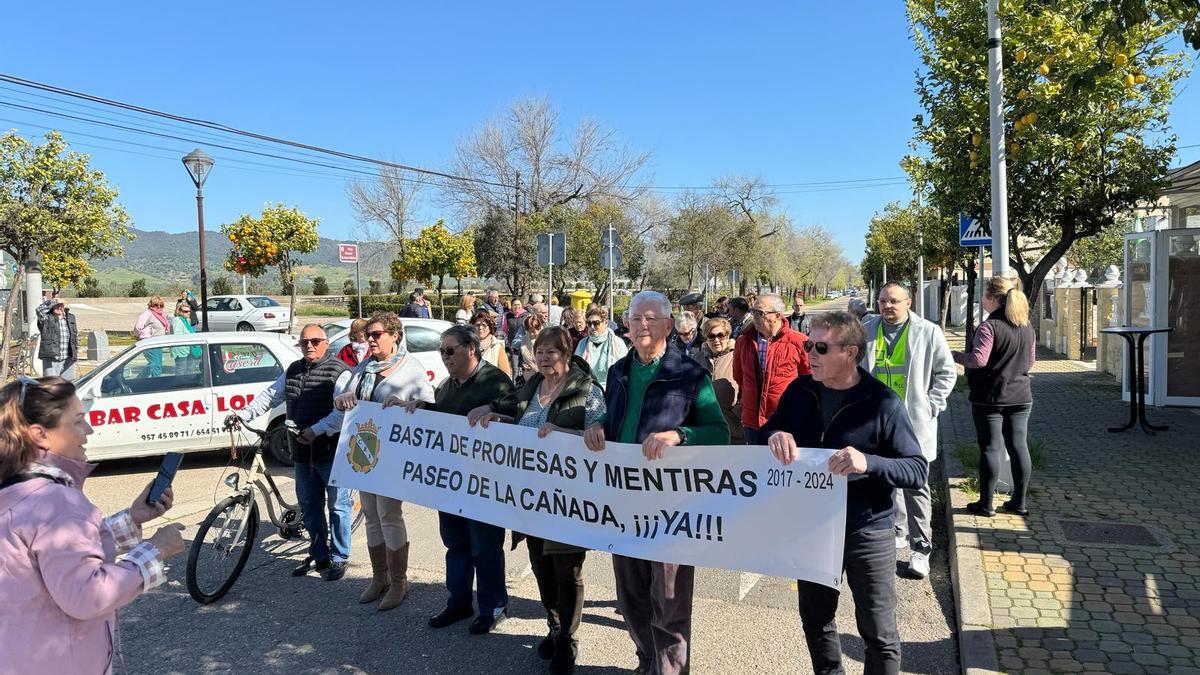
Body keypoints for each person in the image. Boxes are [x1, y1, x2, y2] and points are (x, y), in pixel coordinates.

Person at [763, 311, 928, 675]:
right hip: (813, 528)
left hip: (868, 530)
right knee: (816, 619)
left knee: (879, 633)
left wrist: (868, 462)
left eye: (821, 347)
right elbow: (767, 432)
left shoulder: (882, 402)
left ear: (851, 352)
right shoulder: (799, 391)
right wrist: (775, 434)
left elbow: (917, 470)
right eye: (809, 345)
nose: (810, 354)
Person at [583, 290, 730, 675]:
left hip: (671, 508)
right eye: (636, 318)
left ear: (668, 325)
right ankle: (648, 661)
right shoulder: (619, 372)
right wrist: (599, 425)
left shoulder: (691, 375)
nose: (642, 325)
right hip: (623, 503)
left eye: (651, 318)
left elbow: (719, 432)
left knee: (669, 603)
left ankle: (668, 670)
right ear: (626, 326)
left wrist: (681, 435)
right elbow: (615, 418)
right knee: (631, 598)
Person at [0, 376, 187, 674]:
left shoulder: (14, 489)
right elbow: (87, 594)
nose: (89, 430)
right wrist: (156, 551)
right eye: (78, 421)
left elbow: (54, 557)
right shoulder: (56, 501)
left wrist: (132, 519)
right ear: (40, 435)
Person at [470, 326, 606, 673]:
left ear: (567, 353)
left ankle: (568, 639)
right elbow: (520, 425)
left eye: (552, 352)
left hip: (567, 499)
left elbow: (601, 439)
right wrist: (498, 418)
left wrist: (565, 434)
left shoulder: (588, 390)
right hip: (529, 497)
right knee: (541, 566)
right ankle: (554, 626)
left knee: (567, 570)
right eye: (540, 352)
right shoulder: (531, 386)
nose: (545, 359)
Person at [389, 324, 516, 635]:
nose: (444, 357)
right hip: (451, 483)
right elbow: (445, 421)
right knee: (456, 543)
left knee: (485, 547)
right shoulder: (446, 387)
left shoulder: (496, 382)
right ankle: (458, 601)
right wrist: (422, 408)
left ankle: (493, 606)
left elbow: (518, 420)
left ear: (471, 349)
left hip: (485, 485)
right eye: (441, 351)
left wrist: (494, 409)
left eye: (449, 350)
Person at [229, 324, 353, 580]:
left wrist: (316, 430)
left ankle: (340, 557)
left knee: (338, 507)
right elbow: (270, 396)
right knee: (310, 506)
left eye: (315, 341)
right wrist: (243, 414)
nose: (309, 346)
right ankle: (319, 555)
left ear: (326, 343)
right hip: (302, 452)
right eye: (304, 341)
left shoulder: (340, 372)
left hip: (331, 452)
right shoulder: (293, 370)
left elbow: (342, 414)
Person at [333, 312, 434, 610]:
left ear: (395, 336)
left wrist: (407, 405)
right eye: (368, 335)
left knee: (388, 514)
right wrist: (342, 400)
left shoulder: (410, 367)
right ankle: (380, 577)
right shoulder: (365, 367)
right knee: (371, 514)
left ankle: (399, 581)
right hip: (364, 451)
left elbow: (429, 406)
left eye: (377, 334)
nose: (371, 339)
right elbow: (345, 398)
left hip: (393, 454)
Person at [862, 282, 956, 579]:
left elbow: (947, 373)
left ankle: (921, 548)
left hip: (913, 422)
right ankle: (897, 531)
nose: (887, 306)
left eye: (893, 301)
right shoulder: (867, 328)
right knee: (884, 478)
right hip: (875, 422)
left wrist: (931, 405)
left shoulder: (928, 332)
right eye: (882, 301)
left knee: (916, 486)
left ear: (908, 302)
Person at [954, 276, 1036, 518]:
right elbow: (1030, 362)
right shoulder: (1027, 326)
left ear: (991, 298)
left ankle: (986, 504)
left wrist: (955, 356)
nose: (982, 299)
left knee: (990, 448)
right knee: (1019, 446)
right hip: (1021, 397)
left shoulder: (989, 327)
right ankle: (1019, 502)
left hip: (990, 399)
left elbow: (978, 360)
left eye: (984, 295)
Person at [733, 294, 810, 445]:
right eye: (753, 312)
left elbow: (809, 380)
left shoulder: (799, 342)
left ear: (777, 316)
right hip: (752, 421)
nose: (754, 317)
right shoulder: (743, 341)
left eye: (759, 313)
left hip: (785, 421)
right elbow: (739, 377)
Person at [695, 317, 744, 444]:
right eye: (711, 336)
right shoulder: (697, 358)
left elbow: (748, 388)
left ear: (727, 336)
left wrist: (736, 413)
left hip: (733, 429)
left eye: (720, 335)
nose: (716, 340)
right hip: (704, 427)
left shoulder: (738, 356)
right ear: (706, 338)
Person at [575, 305, 628, 392]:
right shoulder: (583, 343)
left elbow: (624, 369)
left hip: (612, 389)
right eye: (589, 323)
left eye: (596, 323)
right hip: (587, 390)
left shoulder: (618, 343)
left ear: (606, 323)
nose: (592, 327)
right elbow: (576, 369)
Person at [35, 295, 79, 379]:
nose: (58, 307)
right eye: (56, 305)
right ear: (52, 306)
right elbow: (39, 310)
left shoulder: (71, 317)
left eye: (61, 305)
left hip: (68, 358)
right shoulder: (46, 318)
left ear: (64, 306)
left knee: (68, 384)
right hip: (52, 357)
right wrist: (54, 301)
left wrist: (76, 350)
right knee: (51, 383)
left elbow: (75, 335)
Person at [133, 296, 171, 377]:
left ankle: (138, 380)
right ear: (151, 305)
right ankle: (157, 383)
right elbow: (137, 327)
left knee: (152, 365)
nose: (159, 307)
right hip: (150, 343)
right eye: (156, 305)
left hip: (158, 343)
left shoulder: (161, 315)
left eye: (161, 305)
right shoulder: (147, 314)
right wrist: (139, 337)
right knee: (156, 366)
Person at [471, 310, 512, 379]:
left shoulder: (497, 346)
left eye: (484, 325)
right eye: (477, 325)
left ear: (490, 327)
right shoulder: (468, 346)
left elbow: (505, 374)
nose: (480, 328)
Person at [169, 301, 201, 374]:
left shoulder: (186, 320)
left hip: (188, 349)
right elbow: (177, 336)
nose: (188, 313)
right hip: (180, 350)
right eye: (185, 311)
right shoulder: (177, 320)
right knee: (181, 369)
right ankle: (180, 381)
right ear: (179, 311)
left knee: (189, 369)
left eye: (189, 311)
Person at [517, 312, 547, 385]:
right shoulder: (524, 339)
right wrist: (523, 364)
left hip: (544, 377)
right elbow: (520, 357)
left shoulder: (547, 338)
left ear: (539, 327)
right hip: (528, 378)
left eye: (533, 331)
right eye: (529, 331)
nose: (531, 334)